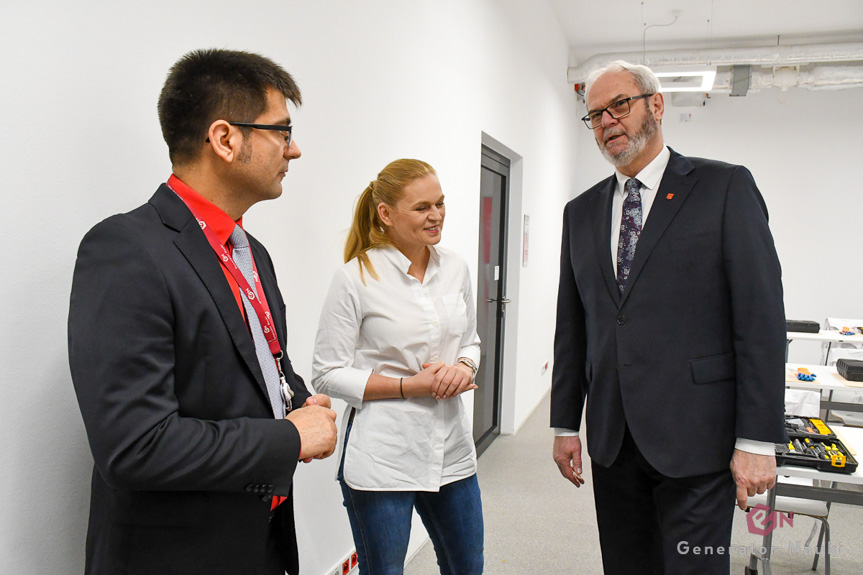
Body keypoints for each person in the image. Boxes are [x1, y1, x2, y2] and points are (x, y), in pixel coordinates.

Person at [68, 49, 338, 575]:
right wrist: (290, 436)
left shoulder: (250, 251)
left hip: (260, 538)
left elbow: (251, 364)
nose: (295, 149)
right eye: (282, 131)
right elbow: (134, 445)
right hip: (176, 557)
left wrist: (297, 398)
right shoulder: (125, 250)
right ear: (225, 138)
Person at [550, 61, 786, 574]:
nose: (607, 120)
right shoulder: (581, 212)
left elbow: (761, 322)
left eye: (620, 105)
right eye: (595, 114)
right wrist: (566, 422)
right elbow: (573, 326)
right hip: (613, 439)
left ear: (656, 105)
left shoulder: (724, 188)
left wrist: (756, 440)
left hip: (697, 437)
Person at [312, 159, 484, 575]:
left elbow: (472, 341)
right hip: (384, 456)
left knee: (467, 567)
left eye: (440, 203)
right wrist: (410, 386)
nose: (436, 215)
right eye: (422, 207)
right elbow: (326, 372)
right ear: (385, 214)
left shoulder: (456, 268)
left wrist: (464, 367)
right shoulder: (355, 278)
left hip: (451, 450)